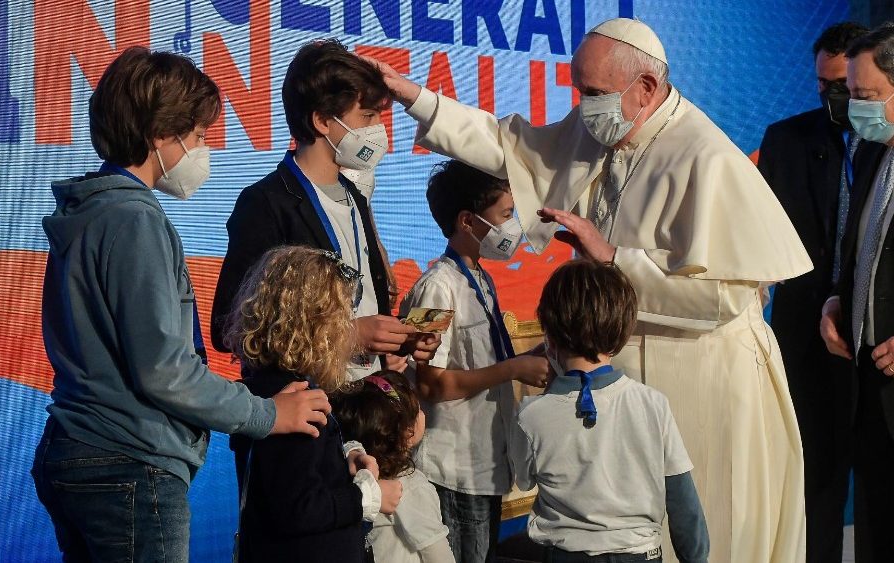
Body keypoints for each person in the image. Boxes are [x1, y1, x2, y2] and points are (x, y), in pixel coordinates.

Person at [370, 17, 812, 562]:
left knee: (697, 522)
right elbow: (507, 145)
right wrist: (418, 98)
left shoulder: (705, 156)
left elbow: (727, 297)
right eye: (579, 90)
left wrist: (611, 258)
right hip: (619, 373)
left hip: (702, 375)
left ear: (645, 88)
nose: (581, 106)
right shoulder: (600, 125)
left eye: (593, 93)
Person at [30, 47, 329, 562]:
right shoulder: (133, 219)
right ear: (159, 135)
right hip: (128, 463)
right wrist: (266, 414)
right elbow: (164, 370)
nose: (204, 148)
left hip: (81, 453)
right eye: (198, 135)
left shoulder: (89, 213)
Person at [209, 39, 439, 377]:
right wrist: (349, 334)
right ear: (321, 121)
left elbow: (366, 306)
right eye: (367, 116)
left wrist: (400, 336)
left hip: (367, 404)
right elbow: (229, 326)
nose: (377, 130)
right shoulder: (266, 202)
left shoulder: (355, 197)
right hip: (308, 406)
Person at [397, 161, 549, 563]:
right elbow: (427, 384)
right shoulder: (435, 288)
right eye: (505, 216)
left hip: (484, 460)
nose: (512, 226)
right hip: (454, 468)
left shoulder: (480, 277)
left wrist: (527, 358)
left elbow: (479, 360)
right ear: (468, 221)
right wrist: (514, 369)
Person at [511, 258, 709, 563]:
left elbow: (524, 481)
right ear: (620, 333)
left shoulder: (530, 415)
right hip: (639, 555)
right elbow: (683, 502)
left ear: (549, 338)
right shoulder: (652, 404)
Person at [757, 21, 868, 563]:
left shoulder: (885, 146)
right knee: (813, 478)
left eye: (843, 86)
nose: (832, 97)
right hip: (804, 336)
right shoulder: (786, 139)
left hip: (876, 338)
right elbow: (759, 237)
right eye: (823, 85)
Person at [225, 246, 403, 562]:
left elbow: (298, 472)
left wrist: (345, 454)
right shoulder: (293, 398)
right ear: (314, 324)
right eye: (341, 316)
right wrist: (367, 497)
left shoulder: (273, 387)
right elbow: (297, 508)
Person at [820, 22, 894, 562]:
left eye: (868, 96)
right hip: (868, 387)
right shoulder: (872, 153)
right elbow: (859, 249)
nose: (855, 108)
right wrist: (837, 300)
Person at [331, 370, 455, 563]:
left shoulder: (355, 476)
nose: (422, 413)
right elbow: (437, 553)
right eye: (418, 409)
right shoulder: (412, 486)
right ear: (407, 432)